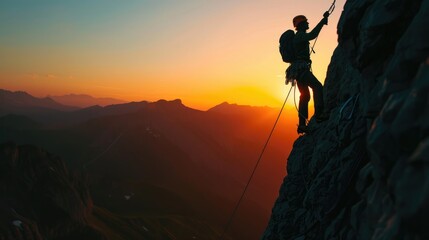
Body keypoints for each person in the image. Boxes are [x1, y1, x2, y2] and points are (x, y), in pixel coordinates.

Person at [286, 12, 330, 134]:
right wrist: (322, 21)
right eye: (306, 22)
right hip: (301, 69)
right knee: (317, 86)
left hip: (297, 70)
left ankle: (302, 124)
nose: (308, 23)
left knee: (305, 96)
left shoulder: (298, 36)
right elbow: (313, 35)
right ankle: (319, 114)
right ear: (301, 25)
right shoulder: (300, 36)